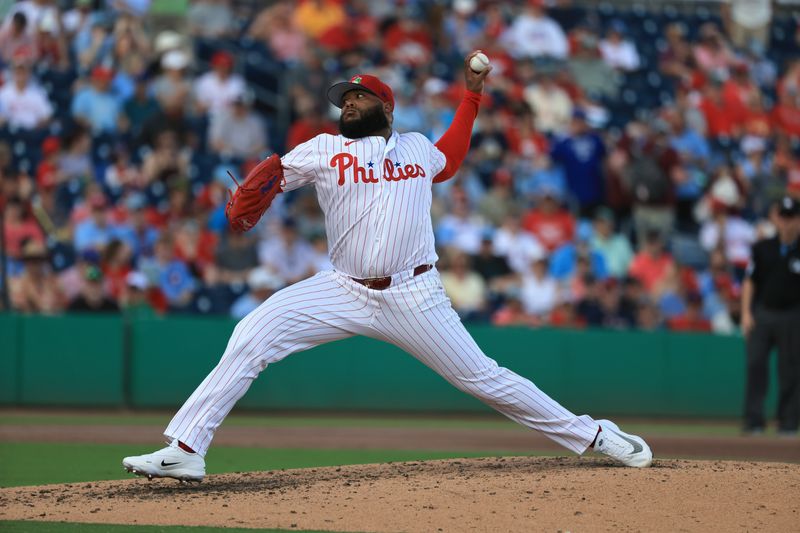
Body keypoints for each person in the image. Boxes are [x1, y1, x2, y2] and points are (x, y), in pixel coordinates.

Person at [122, 52, 652, 483]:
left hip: (414, 296)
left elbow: (454, 153)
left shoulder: (418, 149)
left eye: (361, 96)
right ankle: (187, 447)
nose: (349, 104)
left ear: (387, 108)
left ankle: (593, 434)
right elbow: (274, 175)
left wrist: (471, 96)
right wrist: (266, 184)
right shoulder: (325, 149)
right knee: (251, 334)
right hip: (341, 288)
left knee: (486, 380)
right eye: (345, 98)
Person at [740, 196, 800, 436]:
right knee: (756, 365)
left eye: (791, 217)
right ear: (776, 219)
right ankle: (754, 421)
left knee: (791, 370)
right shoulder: (762, 247)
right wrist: (745, 313)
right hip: (764, 313)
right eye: (782, 217)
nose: (786, 223)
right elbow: (749, 282)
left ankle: (788, 422)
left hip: (793, 315)